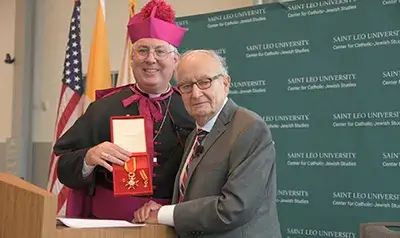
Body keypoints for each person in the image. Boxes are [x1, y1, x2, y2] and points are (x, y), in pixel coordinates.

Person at [53, 0, 195, 221]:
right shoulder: (103, 107)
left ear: (175, 60)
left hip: (170, 224)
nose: (150, 59)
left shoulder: (191, 107)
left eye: (160, 51)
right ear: (132, 58)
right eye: (142, 50)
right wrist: (88, 157)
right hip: (108, 226)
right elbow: (63, 164)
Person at [133, 49, 282, 238]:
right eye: (186, 86)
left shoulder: (250, 129)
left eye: (205, 82)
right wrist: (164, 210)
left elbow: (233, 208)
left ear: (226, 83)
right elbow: (193, 197)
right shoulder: (195, 134)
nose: (196, 94)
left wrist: (164, 214)